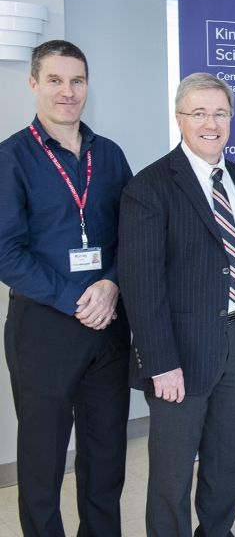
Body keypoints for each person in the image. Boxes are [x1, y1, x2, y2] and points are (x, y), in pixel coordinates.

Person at [118, 73, 235, 537]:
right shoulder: (150, 187)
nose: (210, 123)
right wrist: (161, 363)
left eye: (220, 113)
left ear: (231, 120)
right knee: (172, 474)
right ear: (180, 118)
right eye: (198, 113)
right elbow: (142, 287)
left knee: (231, 465)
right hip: (179, 352)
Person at [0, 39, 132, 537]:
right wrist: (76, 299)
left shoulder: (110, 155)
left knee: (106, 458)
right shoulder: (10, 158)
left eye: (76, 80)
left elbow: (134, 235)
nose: (67, 91)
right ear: (33, 83)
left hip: (108, 329)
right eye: (54, 80)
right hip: (45, 328)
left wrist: (113, 285)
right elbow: (5, 251)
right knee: (43, 461)